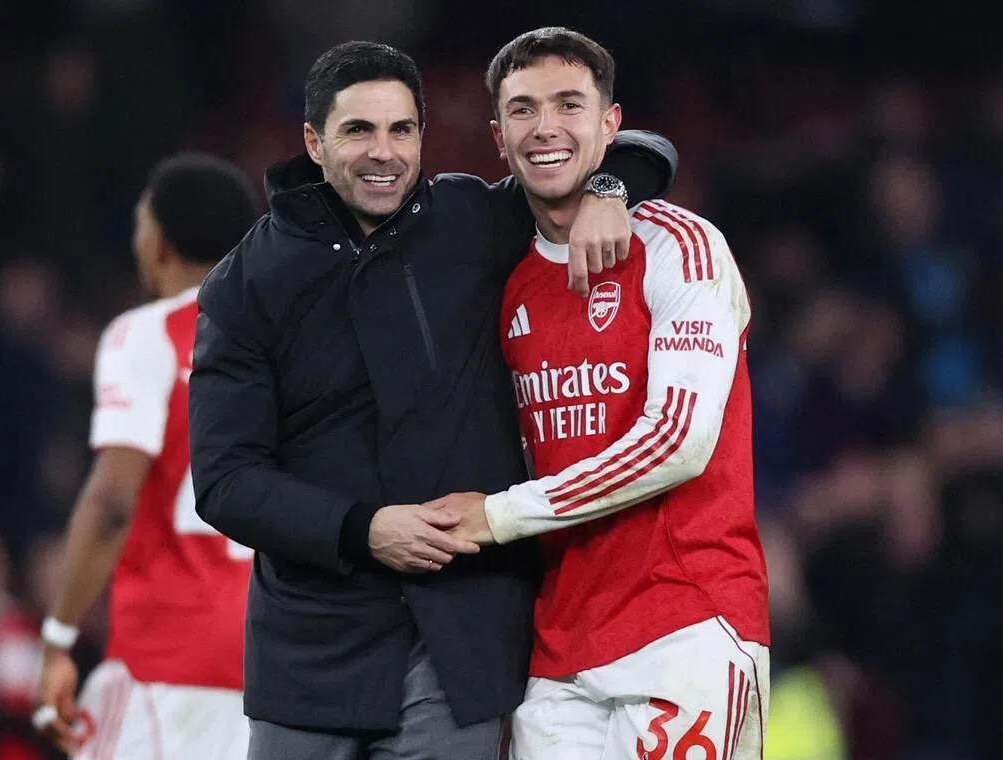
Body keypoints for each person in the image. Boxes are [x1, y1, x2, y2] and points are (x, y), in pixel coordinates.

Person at [188, 40, 676, 760]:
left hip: (458, 647)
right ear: (313, 143)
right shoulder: (245, 284)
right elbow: (226, 481)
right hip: (311, 656)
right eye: (358, 131)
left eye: (401, 130)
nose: (383, 152)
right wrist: (364, 529)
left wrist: (608, 194)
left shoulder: (471, 221)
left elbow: (639, 149)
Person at [431, 28, 771, 759]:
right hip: (557, 654)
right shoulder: (507, 280)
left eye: (568, 105)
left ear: (611, 125)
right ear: (496, 136)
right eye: (522, 110)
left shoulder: (683, 245)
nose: (545, 127)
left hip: (686, 624)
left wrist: (499, 515)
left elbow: (678, 442)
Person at [32, 153, 261, 759]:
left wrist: (58, 637)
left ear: (158, 241)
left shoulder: (146, 333)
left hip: (167, 657)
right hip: (278, 663)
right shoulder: (293, 345)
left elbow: (111, 502)